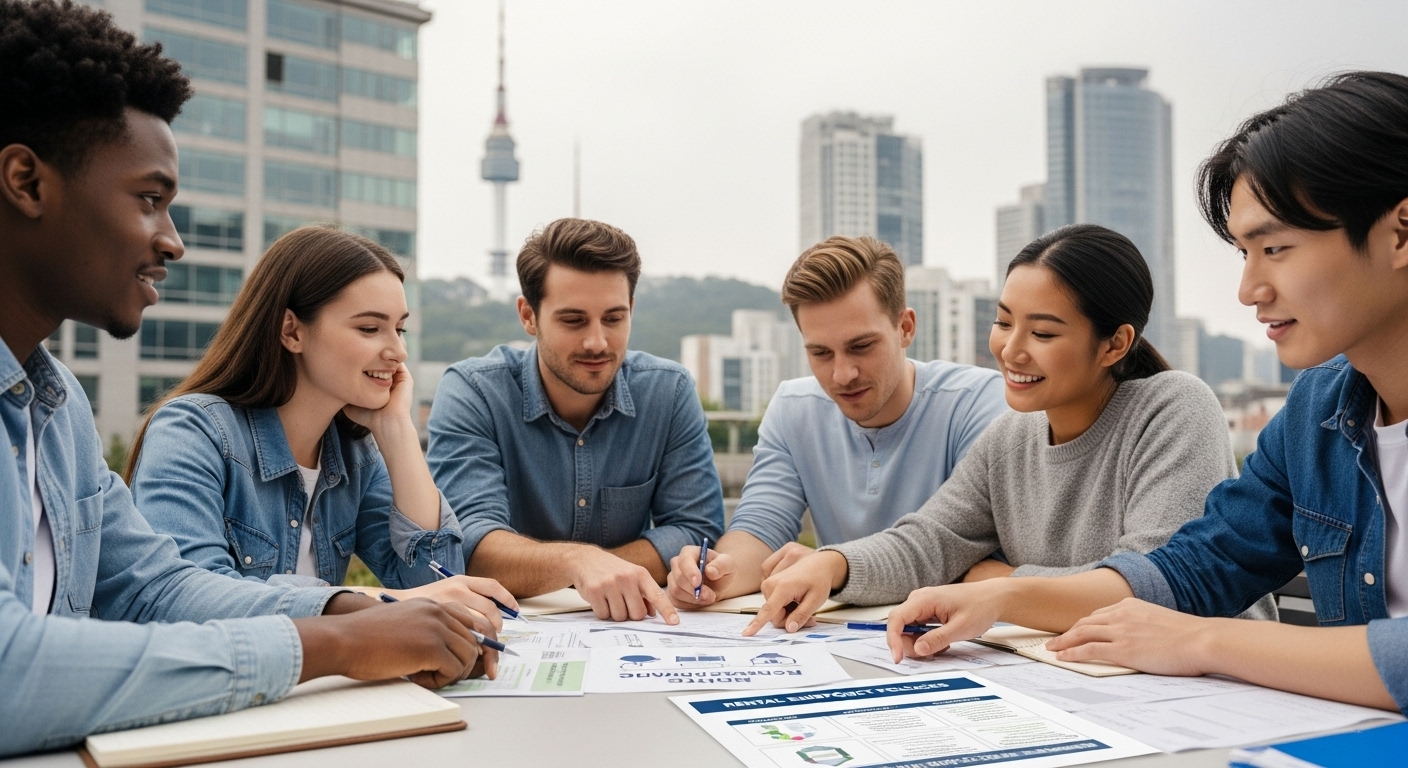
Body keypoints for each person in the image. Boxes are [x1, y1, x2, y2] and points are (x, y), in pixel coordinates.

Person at [0, 1, 495, 756]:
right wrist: (335, 643)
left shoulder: (56, 407)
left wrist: (356, 609)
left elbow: (155, 587)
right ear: (26, 181)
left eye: (400, 330)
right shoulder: (198, 430)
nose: (173, 241)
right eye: (150, 200)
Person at [878, 71, 1408, 714]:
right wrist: (1005, 597)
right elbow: (1197, 566)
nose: (1249, 290)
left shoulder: (1176, 406)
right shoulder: (1315, 413)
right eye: (1245, 254)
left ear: (1400, 233)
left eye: (1275, 247)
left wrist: (1203, 641)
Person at [742, 224, 1272, 636]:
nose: (1010, 350)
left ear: (1115, 344)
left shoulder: (1173, 408)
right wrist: (832, 564)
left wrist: (1000, 585)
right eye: (1003, 322)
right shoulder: (1011, 435)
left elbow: (1153, 586)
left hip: (1215, 691)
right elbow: (930, 542)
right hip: (1084, 679)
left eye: (1042, 333)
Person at [125, 225, 516, 627]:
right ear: (292, 331)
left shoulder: (354, 455)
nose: (398, 351)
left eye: (399, 329)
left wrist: (398, 431)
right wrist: (383, 603)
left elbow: (437, 585)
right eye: (370, 328)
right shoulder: (191, 432)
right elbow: (183, 602)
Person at [664, 236, 1007, 610]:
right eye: (821, 353)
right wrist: (714, 575)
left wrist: (830, 566)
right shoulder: (793, 408)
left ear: (906, 327)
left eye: (861, 347)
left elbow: (951, 552)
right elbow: (760, 528)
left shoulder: (979, 404)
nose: (843, 374)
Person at [427, 218, 723, 623]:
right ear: (528, 316)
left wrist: (600, 571)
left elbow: (696, 529)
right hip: (510, 629)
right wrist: (578, 564)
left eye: (614, 319)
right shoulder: (474, 392)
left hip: (631, 627)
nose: (597, 342)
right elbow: (469, 546)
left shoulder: (668, 391)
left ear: (632, 310)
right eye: (573, 320)